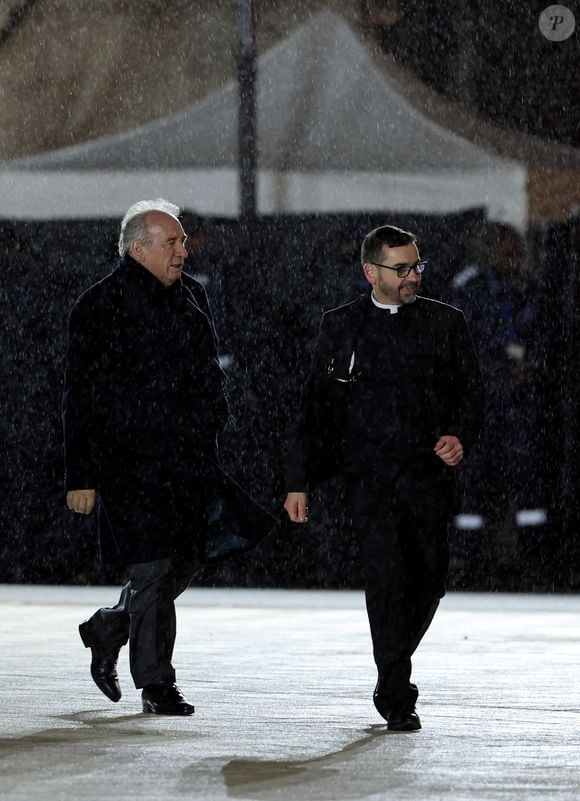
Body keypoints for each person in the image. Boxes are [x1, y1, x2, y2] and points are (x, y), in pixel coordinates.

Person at [63, 199, 273, 715]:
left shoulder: (191, 296)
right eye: (172, 243)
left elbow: (207, 374)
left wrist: (213, 419)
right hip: (130, 468)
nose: (184, 250)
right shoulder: (98, 307)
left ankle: (110, 626)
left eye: (182, 242)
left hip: (190, 463)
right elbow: (80, 398)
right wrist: (80, 476)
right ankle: (157, 684)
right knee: (155, 567)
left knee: (186, 559)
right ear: (138, 248)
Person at [284, 225, 485, 731]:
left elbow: (472, 394)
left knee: (431, 581)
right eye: (401, 268)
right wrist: (298, 480)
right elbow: (315, 408)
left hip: (426, 477)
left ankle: (391, 664)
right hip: (368, 478)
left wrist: (459, 435)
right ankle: (396, 692)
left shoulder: (446, 322)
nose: (413, 276)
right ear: (370, 272)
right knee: (386, 581)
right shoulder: (342, 326)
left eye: (417, 266)